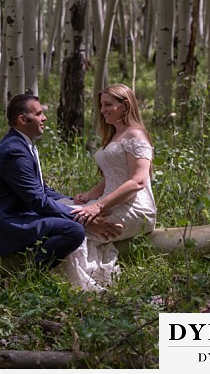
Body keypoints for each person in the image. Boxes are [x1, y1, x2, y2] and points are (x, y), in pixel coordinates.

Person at [0, 94, 121, 270]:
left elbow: (42, 190)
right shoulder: (13, 152)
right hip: (10, 223)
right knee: (74, 231)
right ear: (23, 120)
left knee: (74, 216)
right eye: (39, 114)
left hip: (23, 214)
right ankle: (30, 276)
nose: (44, 118)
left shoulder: (21, 144)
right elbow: (37, 200)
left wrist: (72, 201)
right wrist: (83, 219)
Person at [59, 83, 157, 291]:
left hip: (136, 209)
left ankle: (82, 286)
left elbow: (138, 181)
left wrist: (98, 207)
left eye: (108, 104)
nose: (102, 110)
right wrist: (88, 197)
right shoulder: (115, 135)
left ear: (125, 105)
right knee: (62, 209)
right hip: (111, 202)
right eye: (101, 105)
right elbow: (112, 176)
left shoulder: (136, 135)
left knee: (73, 225)